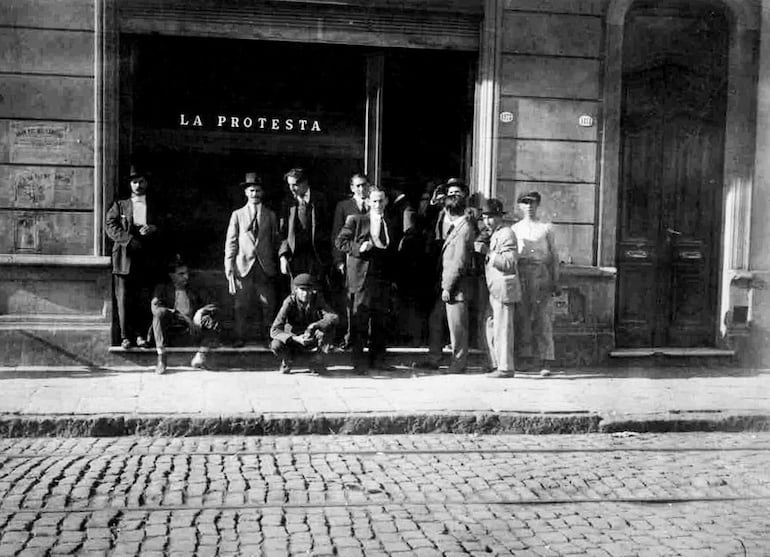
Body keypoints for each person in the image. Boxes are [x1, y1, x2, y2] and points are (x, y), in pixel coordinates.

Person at [336, 187, 401, 374]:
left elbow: (394, 251)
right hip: (362, 278)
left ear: (386, 201)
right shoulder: (357, 220)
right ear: (368, 203)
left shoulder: (391, 222)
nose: (378, 205)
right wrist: (358, 247)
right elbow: (340, 242)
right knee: (360, 321)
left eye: (381, 201)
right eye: (374, 201)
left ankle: (378, 360)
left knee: (380, 320)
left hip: (382, 279)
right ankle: (358, 362)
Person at [105, 164, 165, 349]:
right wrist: (129, 240)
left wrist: (154, 228)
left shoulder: (154, 205)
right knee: (124, 298)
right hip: (124, 256)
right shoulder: (120, 204)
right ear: (130, 184)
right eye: (134, 182)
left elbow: (166, 225)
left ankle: (141, 336)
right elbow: (110, 225)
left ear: (146, 183)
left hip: (146, 258)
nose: (138, 185)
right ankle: (125, 337)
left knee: (143, 298)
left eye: (141, 181)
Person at [423, 179, 477, 373]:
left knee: (458, 327)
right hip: (445, 279)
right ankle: (434, 358)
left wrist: (448, 287)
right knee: (436, 320)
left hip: (457, 284)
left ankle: (458, 364)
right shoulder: (447, 220)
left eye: (456, 195)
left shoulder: (465, 227)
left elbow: (460, 261)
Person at [224, 172, 280, 346]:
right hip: (243, 265)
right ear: (246, 193)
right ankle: (240, 337)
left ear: (262, 193)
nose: (254, 194)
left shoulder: (270, 215)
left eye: (257, 190)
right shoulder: (237, 215)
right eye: (251, 191)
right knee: (241, 305)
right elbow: (231, 241)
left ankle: (267, 338)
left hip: (264, 266)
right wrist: (229, 264)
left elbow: (275, 240)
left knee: (267, 304)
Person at [511, 191, 560, 376]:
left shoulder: (546, 228)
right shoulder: (515, 229)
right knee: (523, 316)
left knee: (543, 318)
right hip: (522, 273)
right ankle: (525, 357)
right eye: (525, 203)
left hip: (541, 274)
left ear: (538, 205)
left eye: (532, 203)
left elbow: (554, 257)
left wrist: (555, 280)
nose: (529, 206)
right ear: (520, 206)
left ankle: (546, 360)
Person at [150, 258, 220, 375]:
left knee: (210, 318)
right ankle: (161, 358)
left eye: (187, 273)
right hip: (169, 335)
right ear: (172, 275)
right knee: (160, 314)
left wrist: (201, 312)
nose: (186, 277)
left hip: (190, 332)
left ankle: (201, 355)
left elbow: (213, 305)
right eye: (181, 274)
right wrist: (177, 315)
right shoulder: (162, 289)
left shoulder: (193, 289)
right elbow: (155, 308)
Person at [475, 199, 518, 378]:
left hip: (503, 288)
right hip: (494, 288)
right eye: (484, 217)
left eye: (491, 217)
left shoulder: (507, 233)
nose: (487, 221)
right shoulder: (493, 233)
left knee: (502, 328)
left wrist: (488, 253)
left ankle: (506, 368)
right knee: (491, 326)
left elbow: (509, 263)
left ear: (500, 217)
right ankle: (495, 364)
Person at [330, 173, 370, 348]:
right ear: (352, 188)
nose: (362, 189)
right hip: (350, 260)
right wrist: (338, 261)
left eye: (364, 185)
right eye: (358, 186)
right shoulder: (344, 206)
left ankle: (364, 337)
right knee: (349, 300)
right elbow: (337, 235)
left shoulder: (374, 204)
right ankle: (348, 337)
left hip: (370, 264)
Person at [270, 273, 339, 374]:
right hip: (294, 340)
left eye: (308, 290)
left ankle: (316, 362)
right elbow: (274, 330)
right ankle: (287, 360)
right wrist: (294, 338)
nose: (305, 294)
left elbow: (333, 317)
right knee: (276, 344)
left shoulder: (317, 299)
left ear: (313, 290)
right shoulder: (289, 302)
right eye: (302, 290)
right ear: (295, 290)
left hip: (311, 337)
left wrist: (316, 325)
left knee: (329, 329)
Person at [278, 168, 330, 284]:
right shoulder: (287, 203)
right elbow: (283, 233)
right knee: (297, 293)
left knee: (317, 293)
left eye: (295, 185)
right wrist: (283, 256)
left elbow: (329, 228)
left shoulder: (320, 200)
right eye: (289, 185)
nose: (292, 188)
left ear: (305, 183)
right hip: (295, 258)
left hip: (317, 257)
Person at [387, 181, 420, 345]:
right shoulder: (401, 205)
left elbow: (409, 233)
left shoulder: (405, 207)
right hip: (402, 259)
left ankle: (407, 334)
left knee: (403, 299)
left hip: (403, 260)